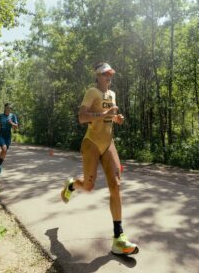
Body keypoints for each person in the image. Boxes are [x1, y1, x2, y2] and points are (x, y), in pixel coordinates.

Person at [60, 62, 139, 255]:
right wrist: (105, 113)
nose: (109, 76)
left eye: (111, 73)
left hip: (108, 143)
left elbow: (109, 117)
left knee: (116, 185)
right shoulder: (91, 92)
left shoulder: (112, 95)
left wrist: (116, 118)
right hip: (92, 143)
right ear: (97, 76)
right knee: (88, 186)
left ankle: (118, 238)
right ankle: (71, 185)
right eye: (105, 74)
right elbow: (82, 117)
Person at [0, 103, 18, 174]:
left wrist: (12, 123)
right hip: (1, 135)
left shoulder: (13, 116)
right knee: (4, 149)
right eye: (7, 108)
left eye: (10, 108)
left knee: (4, 151)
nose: (8, 109)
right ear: (5, 108)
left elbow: (16, 127)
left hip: (8, 137)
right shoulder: (0, 116)